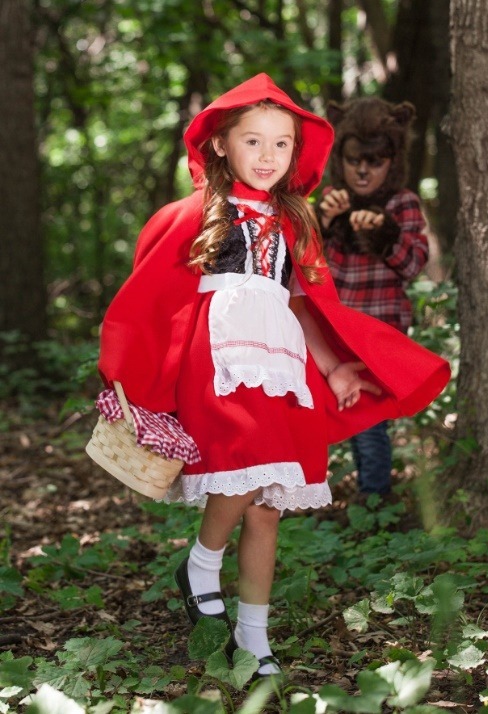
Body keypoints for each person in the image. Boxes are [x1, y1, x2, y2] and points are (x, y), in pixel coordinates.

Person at [97, 74, 450, 680]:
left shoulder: (296, 219)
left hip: (280, 361)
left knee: (266, 508)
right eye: (253, 141)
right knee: (251, 457)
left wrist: (334, 365)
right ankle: (203, 563)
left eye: (281, 144)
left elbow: (303, 303)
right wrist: (138, 375)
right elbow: (154, 297)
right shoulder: (199, 213)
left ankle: (253, 638)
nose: (267, 156)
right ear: (222, 146)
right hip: (221, 363)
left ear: (296, 152)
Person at [318, 97, 429, 498]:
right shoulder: (332, 200)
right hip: (336, 331)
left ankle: (376, 500)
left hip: (380, 331)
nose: (363, 170)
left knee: (367, 418)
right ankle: (372, 498)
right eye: (353, 160)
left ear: (392, 160)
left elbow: (414, 264)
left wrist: (385, 235)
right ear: (341, 158)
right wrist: (322, 223)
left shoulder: (403, 204)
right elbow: (306, 266)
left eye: (375, 161)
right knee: (356, 415)